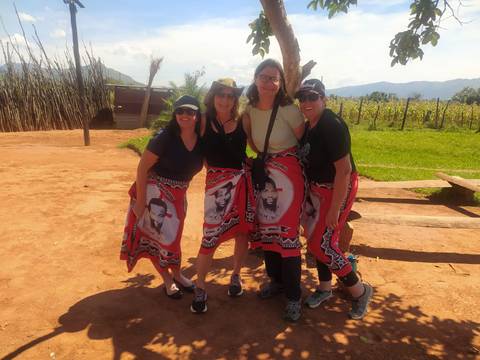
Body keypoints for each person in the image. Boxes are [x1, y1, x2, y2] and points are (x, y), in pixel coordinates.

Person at [296, 78, 373, 320]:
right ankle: (325, 287)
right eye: (303, 98)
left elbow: (344, 171)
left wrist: (335, 210)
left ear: (323, 99)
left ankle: (360, 291)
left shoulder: (332, 124)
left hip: (338, 188)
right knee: (315, 239)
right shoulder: (310, 126)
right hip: (317, 190)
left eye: (312, 97)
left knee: (324, 244)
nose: (306, 102)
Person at [120, 95, 203, 299]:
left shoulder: (201, 141)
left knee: (173, 240)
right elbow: (142, 169)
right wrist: (140, 202)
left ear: (197, 115)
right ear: (175, 114)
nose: (184, 115)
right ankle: (167, 280)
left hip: (178, 197)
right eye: (180, 111)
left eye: (190, 112)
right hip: (153, 195)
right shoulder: (164, 138)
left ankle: (177, 274)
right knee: (158, 240)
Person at [243, 59, 305, 322]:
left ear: (280, 84)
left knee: (288, 235)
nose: (269, 82)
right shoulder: (248, 111)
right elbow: (253, 145)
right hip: (266, 175)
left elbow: (305, 142)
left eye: (274, 78)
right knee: (269, 229)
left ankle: (293, 296)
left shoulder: (289, 110)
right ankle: (276, 281)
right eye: (265, 77)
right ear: (256, 79)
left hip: (290, 177)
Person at [191, 78, 254, 314]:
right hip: (216, 186)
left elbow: (256, 146)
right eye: (221, 94)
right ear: (213, 96)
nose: (225, 100)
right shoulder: (204, 120)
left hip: (241, 183)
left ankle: (236, 276)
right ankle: (200, 285)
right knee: (210, 236)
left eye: (230, 96)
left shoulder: (243, 120)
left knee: (241, 232)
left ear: (235, 99)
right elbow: (193, 146)